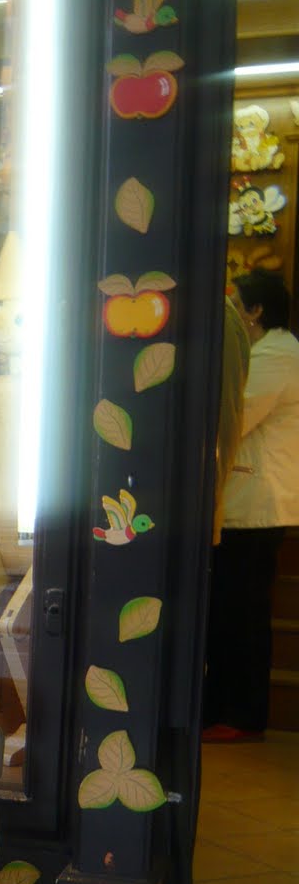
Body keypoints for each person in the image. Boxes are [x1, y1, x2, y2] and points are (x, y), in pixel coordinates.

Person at [203, 272, 299, 741]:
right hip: (245, 506)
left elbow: (234, 414)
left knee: (241, 614)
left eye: (236, 302)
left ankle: (240, 713)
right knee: (229, 610)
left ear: (256, 311)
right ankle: (223, 707)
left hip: (258, 508)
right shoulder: (270, 351)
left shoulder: (277, 354)